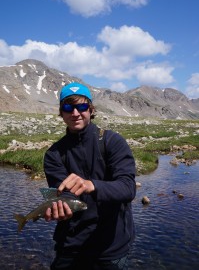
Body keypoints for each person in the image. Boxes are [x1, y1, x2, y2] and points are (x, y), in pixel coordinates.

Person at [44, 82, 136, 270]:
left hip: (110, 248)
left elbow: (128, 188)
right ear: (61, 113)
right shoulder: (53, 154)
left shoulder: (112, 141)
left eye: (82, 106)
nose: (75, 113)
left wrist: (92, 185)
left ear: (91, 109)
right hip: (70, 246)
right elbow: (62, 196)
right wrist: (59, 209)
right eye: (68, 107)